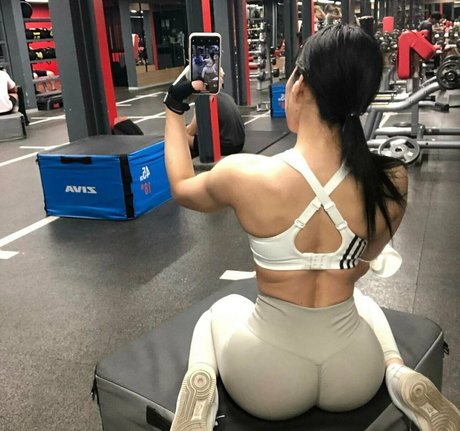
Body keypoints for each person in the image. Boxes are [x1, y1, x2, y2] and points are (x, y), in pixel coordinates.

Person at [163, 25, 460, 431]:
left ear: (299, 84)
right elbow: (362, 264)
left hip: (268, 377)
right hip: (355, 372)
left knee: (219, 312)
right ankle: (396, 370)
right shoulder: (391, 179)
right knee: (365, 307)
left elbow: (181, 186)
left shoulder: (246, 174)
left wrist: (174, 105)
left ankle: (200, 385)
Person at [185, 68, 245, 158]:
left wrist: (182, 129)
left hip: (226, 147)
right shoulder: (227, 97)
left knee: (183, 136)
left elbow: (191, 131)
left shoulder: (204, 100)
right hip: (239, 144)